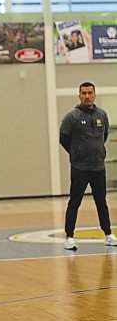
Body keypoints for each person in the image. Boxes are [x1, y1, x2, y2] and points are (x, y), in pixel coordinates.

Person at [59, 82, 117, 251]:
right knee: (74, 202)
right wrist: (77, 153)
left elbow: (104, 136)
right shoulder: (72, 117)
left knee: (101, 201)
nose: (87, 96)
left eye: (90, 93)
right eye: (83, 93)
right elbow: (64, 139)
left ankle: (108, 234)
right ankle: (69, 237)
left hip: (98, 167)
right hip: (80, 168)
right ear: (79, 95)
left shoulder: (102, 115)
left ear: (94, 94)